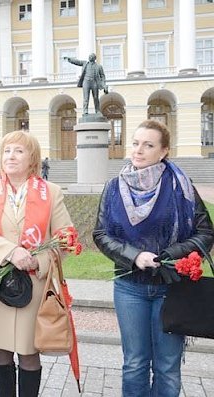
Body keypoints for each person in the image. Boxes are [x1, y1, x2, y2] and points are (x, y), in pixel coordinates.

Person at [93, 119, 214, 396]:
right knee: (134, 363)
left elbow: (205, 232)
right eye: (135, 143)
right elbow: (101, 234)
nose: (138, 150)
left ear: (163, 151)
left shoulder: (180, 186)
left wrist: (171, 254)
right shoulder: (114, 187)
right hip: (130, 288)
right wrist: (135, 256)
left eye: (148, 145)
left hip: (172, 288)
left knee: (167, 366)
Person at [0, 130, 74, 396]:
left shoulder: (51, 192)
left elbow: (66, 239)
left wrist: (38, 261)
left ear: (32, 159)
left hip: (33, 284)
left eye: (19, 151)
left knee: (28, 352)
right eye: (6, 151)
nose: (10, 156)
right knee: (0, 350)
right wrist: (11, 252)